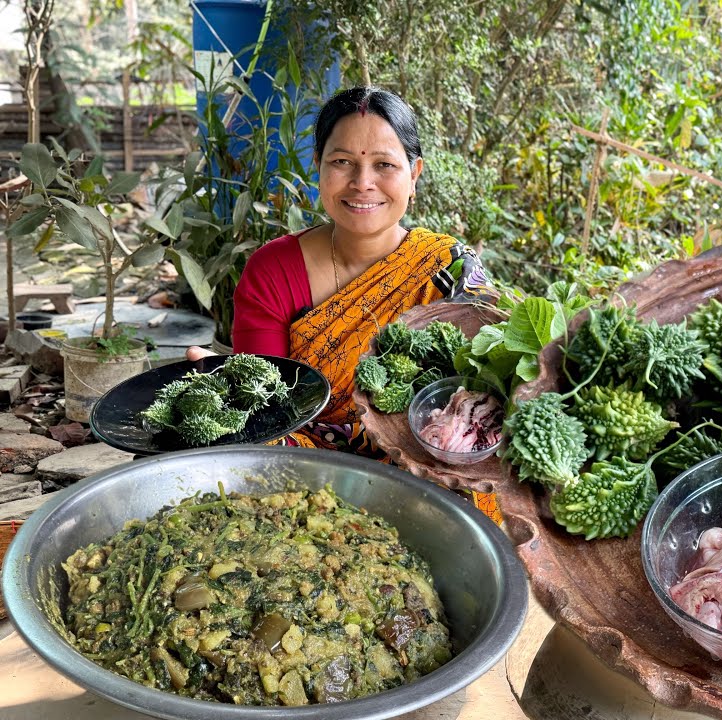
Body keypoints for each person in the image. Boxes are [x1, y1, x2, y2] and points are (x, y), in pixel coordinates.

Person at [187, 86, 499, 519]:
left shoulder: (448, 269)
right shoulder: (273, 270)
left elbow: (488, 392)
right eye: (342, 162)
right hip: (304, 462)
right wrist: (219, 386)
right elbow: (265, 409)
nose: (362, 183)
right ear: (317, 167)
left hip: (426, 467)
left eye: (384, 165)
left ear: (415, 175)